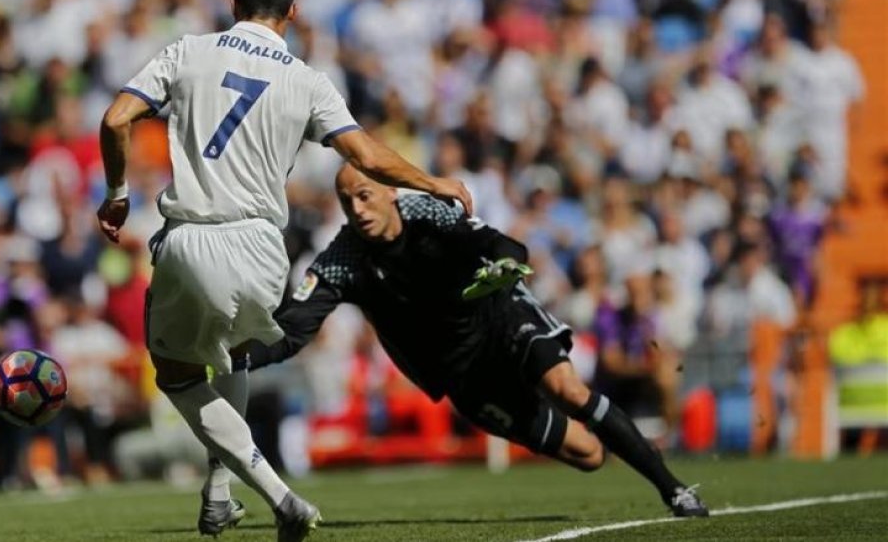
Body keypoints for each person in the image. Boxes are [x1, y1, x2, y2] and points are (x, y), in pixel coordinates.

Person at [96, 0, 471, 540]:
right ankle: (219, 492)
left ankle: (279, 495)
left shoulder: (188, 51)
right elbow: (368, 159)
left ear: (233, 7)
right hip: (266, 248)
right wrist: (436, 182)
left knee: (176, 374)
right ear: (292, 13)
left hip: (195, 237)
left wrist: (117, 195)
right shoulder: (308, 79)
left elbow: (117, 118)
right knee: (235, 353)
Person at [248, 164, 709, 518]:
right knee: (588, 455)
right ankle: (617, 438)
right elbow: (290, 332)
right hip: (463, 373)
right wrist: (232, 359)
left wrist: (502, 267)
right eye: (348, 202)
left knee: (568, 390)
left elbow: (505, 246)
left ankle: (674, 489)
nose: (358, 210)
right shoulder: (342, 260)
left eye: (365, 195)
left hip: (501, 318)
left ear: (391, 190)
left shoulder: (426, 212)